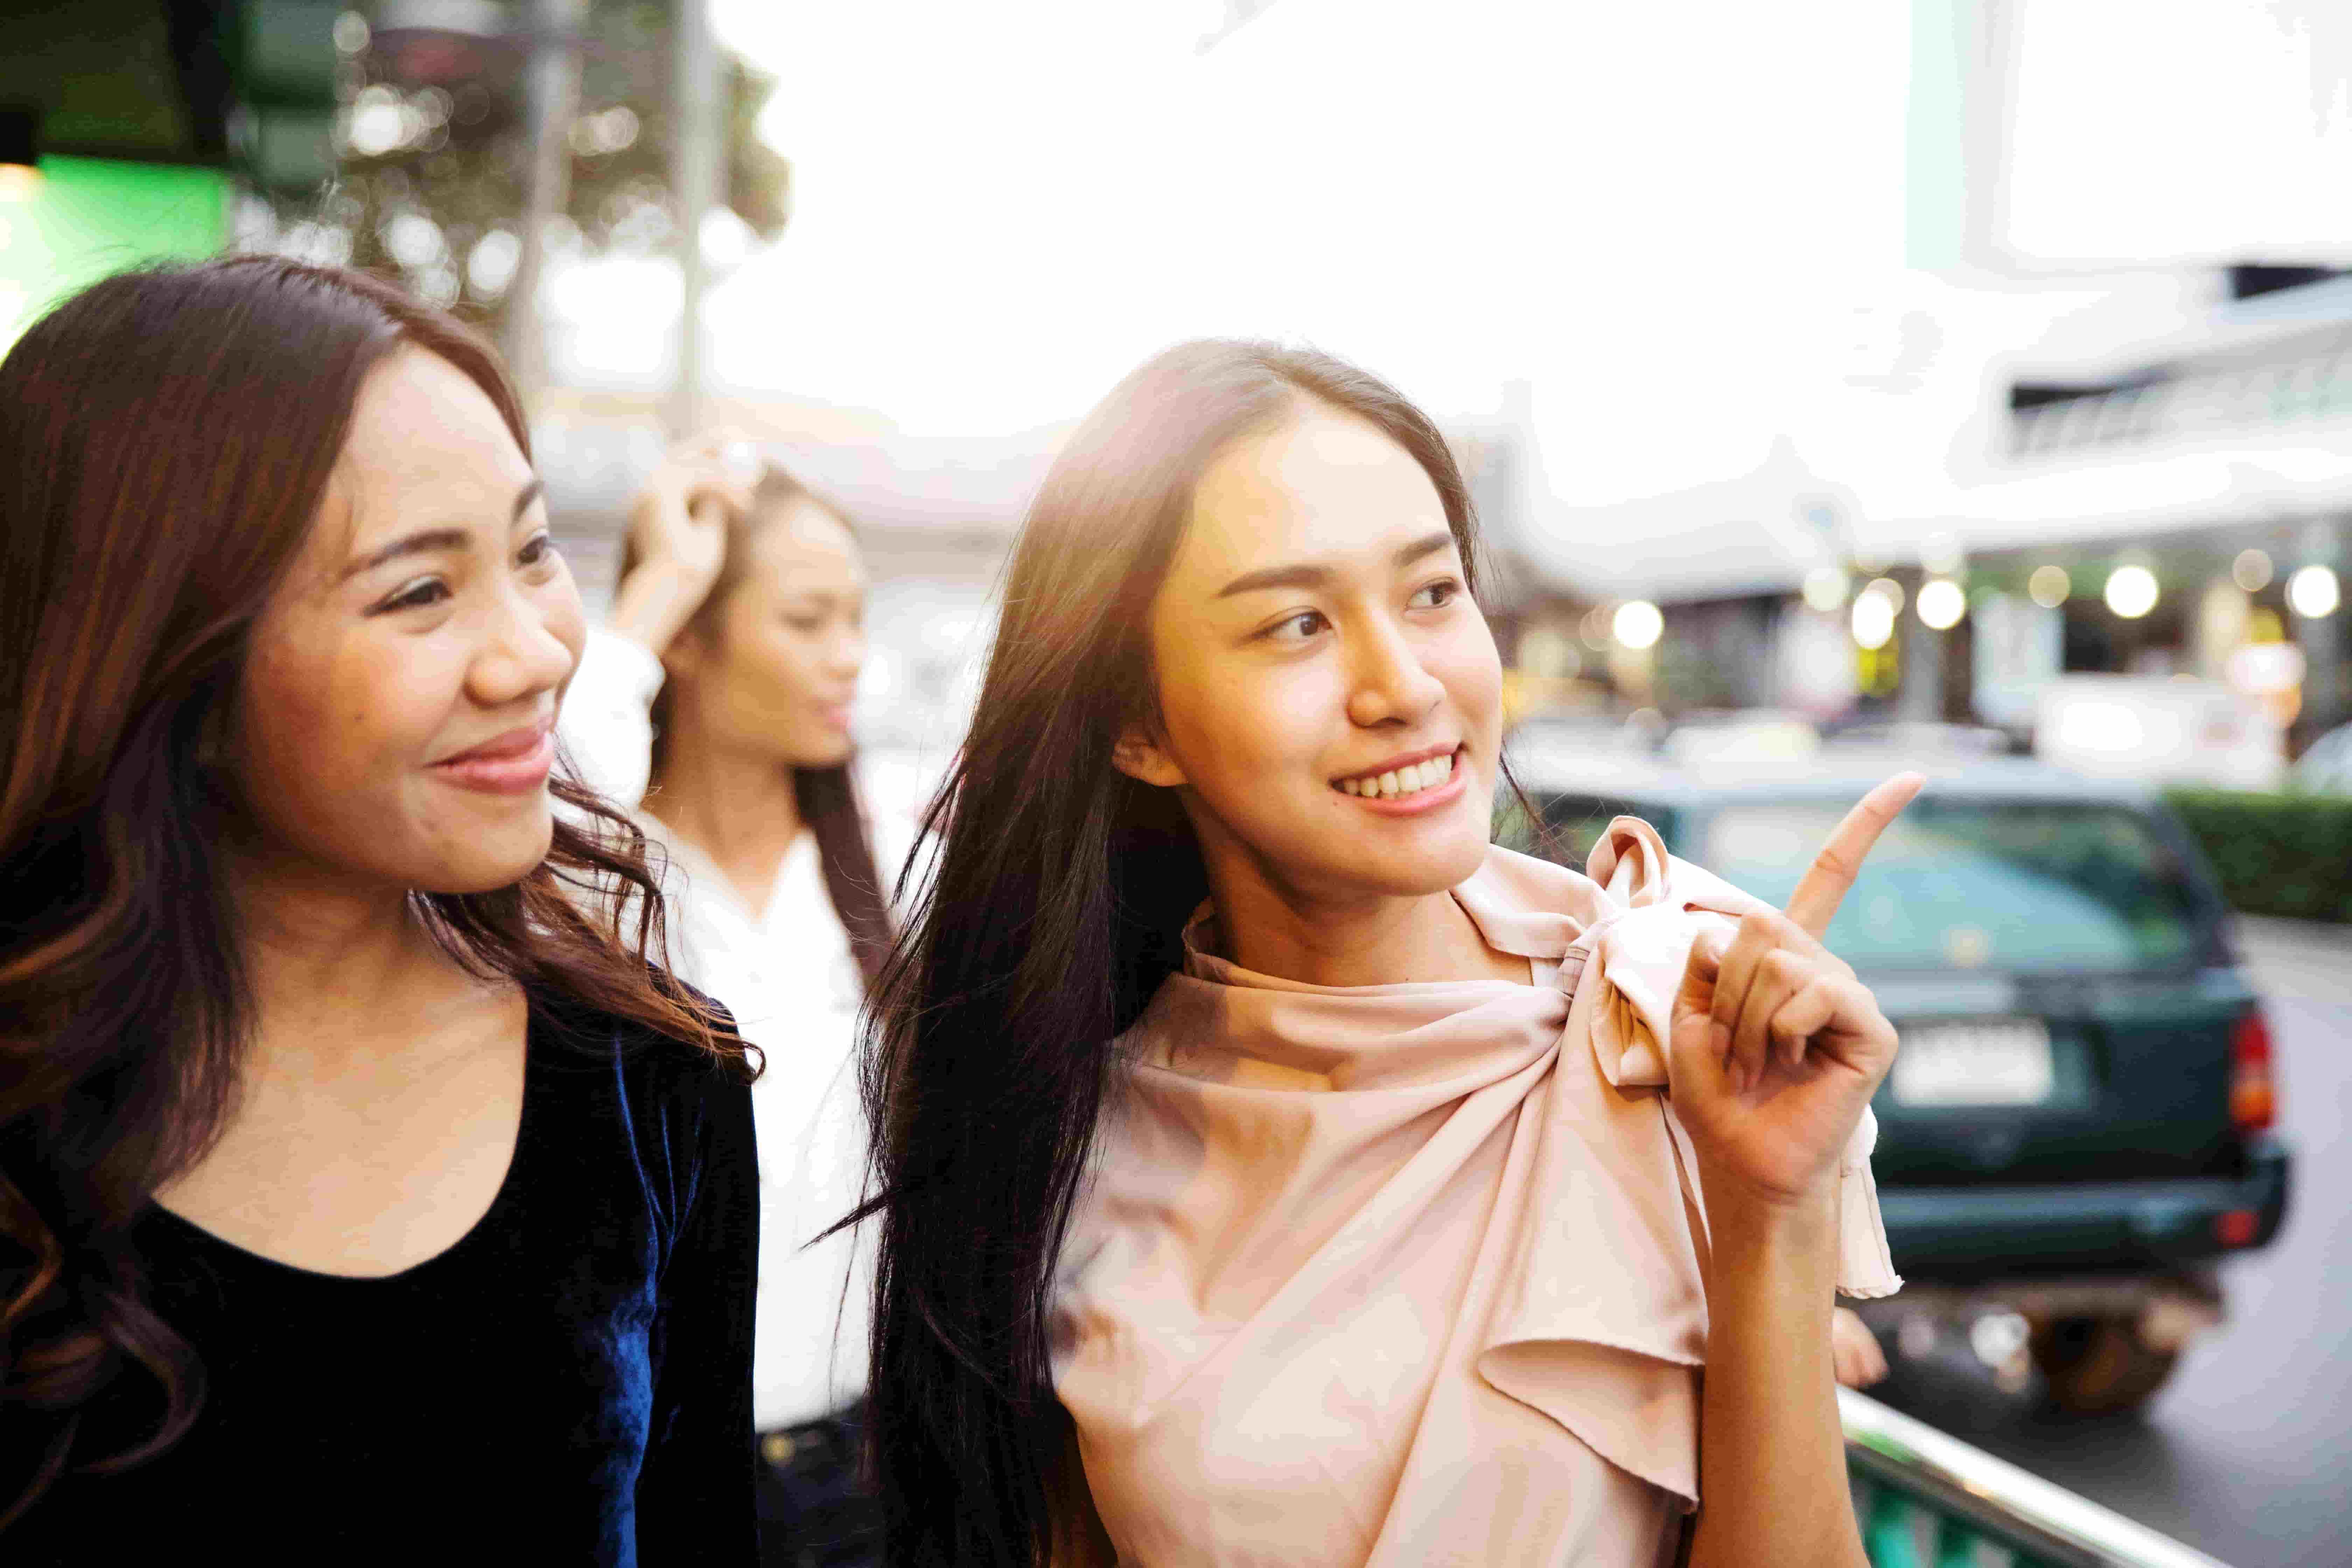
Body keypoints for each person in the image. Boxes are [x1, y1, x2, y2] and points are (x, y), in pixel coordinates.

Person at [861, 340, 1922, 1567]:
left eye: (1432, 594)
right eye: (1298, 624)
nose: (1406, 685)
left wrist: (1774, 1216)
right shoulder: (1061, 1137)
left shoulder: (1667, 1027)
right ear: (1140, 726)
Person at [0, 258, 759, 1565]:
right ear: (162, 655)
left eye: (534, 551)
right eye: (420, 591)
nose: (535, 654)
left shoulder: (653, 1090)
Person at [561, 440, 895, 1565]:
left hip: (871, 1473)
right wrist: (655, 592)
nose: (849, 657)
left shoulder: (897, 865)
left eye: (857, 618)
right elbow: (547, 774)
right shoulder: (598, 876)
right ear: (694, 637)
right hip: (657, 1476)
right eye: (808, 620)